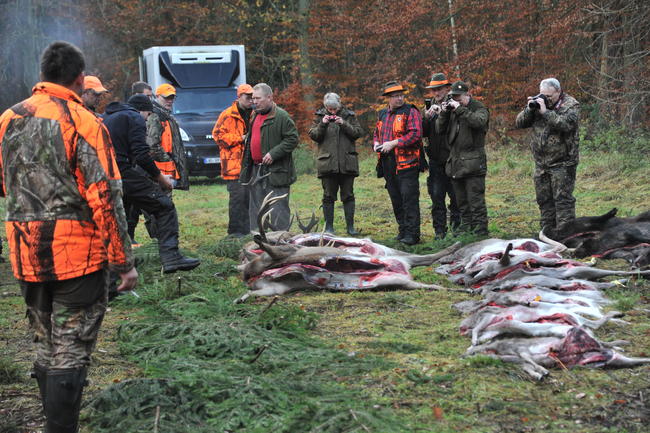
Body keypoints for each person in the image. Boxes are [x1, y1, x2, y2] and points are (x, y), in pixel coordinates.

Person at [0, 41, 137, 432]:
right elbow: (107, 197)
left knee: (45, 344)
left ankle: (53, 422)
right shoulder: (84, 122)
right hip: (77, 258)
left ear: (42, 74)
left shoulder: (8, 119)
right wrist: (123, 262)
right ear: (80, 79)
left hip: (26, 254)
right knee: (70, 350)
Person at [103, 94, 201, 275]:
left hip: (105, 175)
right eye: (148, 115)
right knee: (164, 206)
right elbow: (141, 153)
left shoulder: (107, 117)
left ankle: (116, 270)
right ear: (144, 110)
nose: (148, 119)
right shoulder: (134, 117)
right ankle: (172, 257)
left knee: (118, 219)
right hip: (123, 172)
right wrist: (160, 178)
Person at [515, 77, 580, 238]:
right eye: (543, 95)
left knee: (563, 201)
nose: (546, 99)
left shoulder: (571, 105)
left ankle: (566, 236)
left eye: (549, 96)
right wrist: (530, 109)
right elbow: (519, 123)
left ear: (558, 91)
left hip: (563, 162)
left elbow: (565, 125)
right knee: (544, 201)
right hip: (541, 163)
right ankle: (547, 234)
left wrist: (545, 112)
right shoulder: (538, 103)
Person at [239, 83, 299, 232]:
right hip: (256, 170)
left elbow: (292, 139)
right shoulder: (254, 115)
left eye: (258, 98)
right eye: (253, 98)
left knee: (278, 209)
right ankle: (259, 242)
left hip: (276, 172)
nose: (254, 102)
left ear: (269, 97)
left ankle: (280, 243)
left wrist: (274, 153)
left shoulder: (281, 116)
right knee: (257, 209)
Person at [373, 81, 425, 245]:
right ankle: (402, 230)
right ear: (388, 98)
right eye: (395, 96)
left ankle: (413, 234)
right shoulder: (382, 114)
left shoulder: (411, 111)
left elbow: (416, 134)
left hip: (407, 162)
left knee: (409, 198)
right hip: (387, 162)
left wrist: (394, 143)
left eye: (401, 95)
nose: (399, 98)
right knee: (395, 198)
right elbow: (376, 133)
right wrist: (376, 143)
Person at [436, 81, 490, 236]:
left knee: (476, 200)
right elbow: (439, 129)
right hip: (456, 162)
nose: (456, 100)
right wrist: (445, 113)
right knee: (461, 202)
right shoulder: (453, 111)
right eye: (454, 97)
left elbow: (478, 122)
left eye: (459, 97)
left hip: (473, 162)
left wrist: (460, 110)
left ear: (468, 94)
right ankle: (466, 227)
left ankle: (480, 230)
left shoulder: (478, 108)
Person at [308, 92, 364, 235]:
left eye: (334, 109)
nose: (332, 111)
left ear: (339, 104)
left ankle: (350, 228)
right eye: (329, 109)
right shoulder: (319, 116)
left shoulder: (349, 115)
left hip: (347, 162)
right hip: (327, 163)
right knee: (328, 196)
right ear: (325, 106)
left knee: (348, 195)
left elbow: (358, 133)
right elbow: (314, 135)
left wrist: (343, 123)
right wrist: (323, 124)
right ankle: (328, 227)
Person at [212, 83, 254, 237]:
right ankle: (234, 233)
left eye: (252, 97)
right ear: (239, 96)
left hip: (250, 165)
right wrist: (240, 139)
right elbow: (217, 136)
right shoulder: (228, 114)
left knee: (249, 200)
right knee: (237, 200)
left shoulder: (254, 114)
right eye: (247, 97)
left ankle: (247, 231)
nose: (250, 100)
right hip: (233, 166)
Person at [422, 73, 460, 239]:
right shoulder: (427, 105)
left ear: (447, 88)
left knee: (456, 198)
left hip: (454, 159)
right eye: (434, 90)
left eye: (439, 89)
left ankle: (457, 231)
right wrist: (426, 117)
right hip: (435, 160)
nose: (436, 93)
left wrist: (447, 112)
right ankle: (439, 233)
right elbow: (421, 133)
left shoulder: (455, 103)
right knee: (437, 199)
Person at [147, 83, 189, 191]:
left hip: (165, 168)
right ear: (157, 96)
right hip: (159, 169)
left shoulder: (166, 115)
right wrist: (168, 159)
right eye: (166, 98)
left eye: (172, 98)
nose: (169, 101)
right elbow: (152, 145)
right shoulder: (155, 115)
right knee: (163, 203)